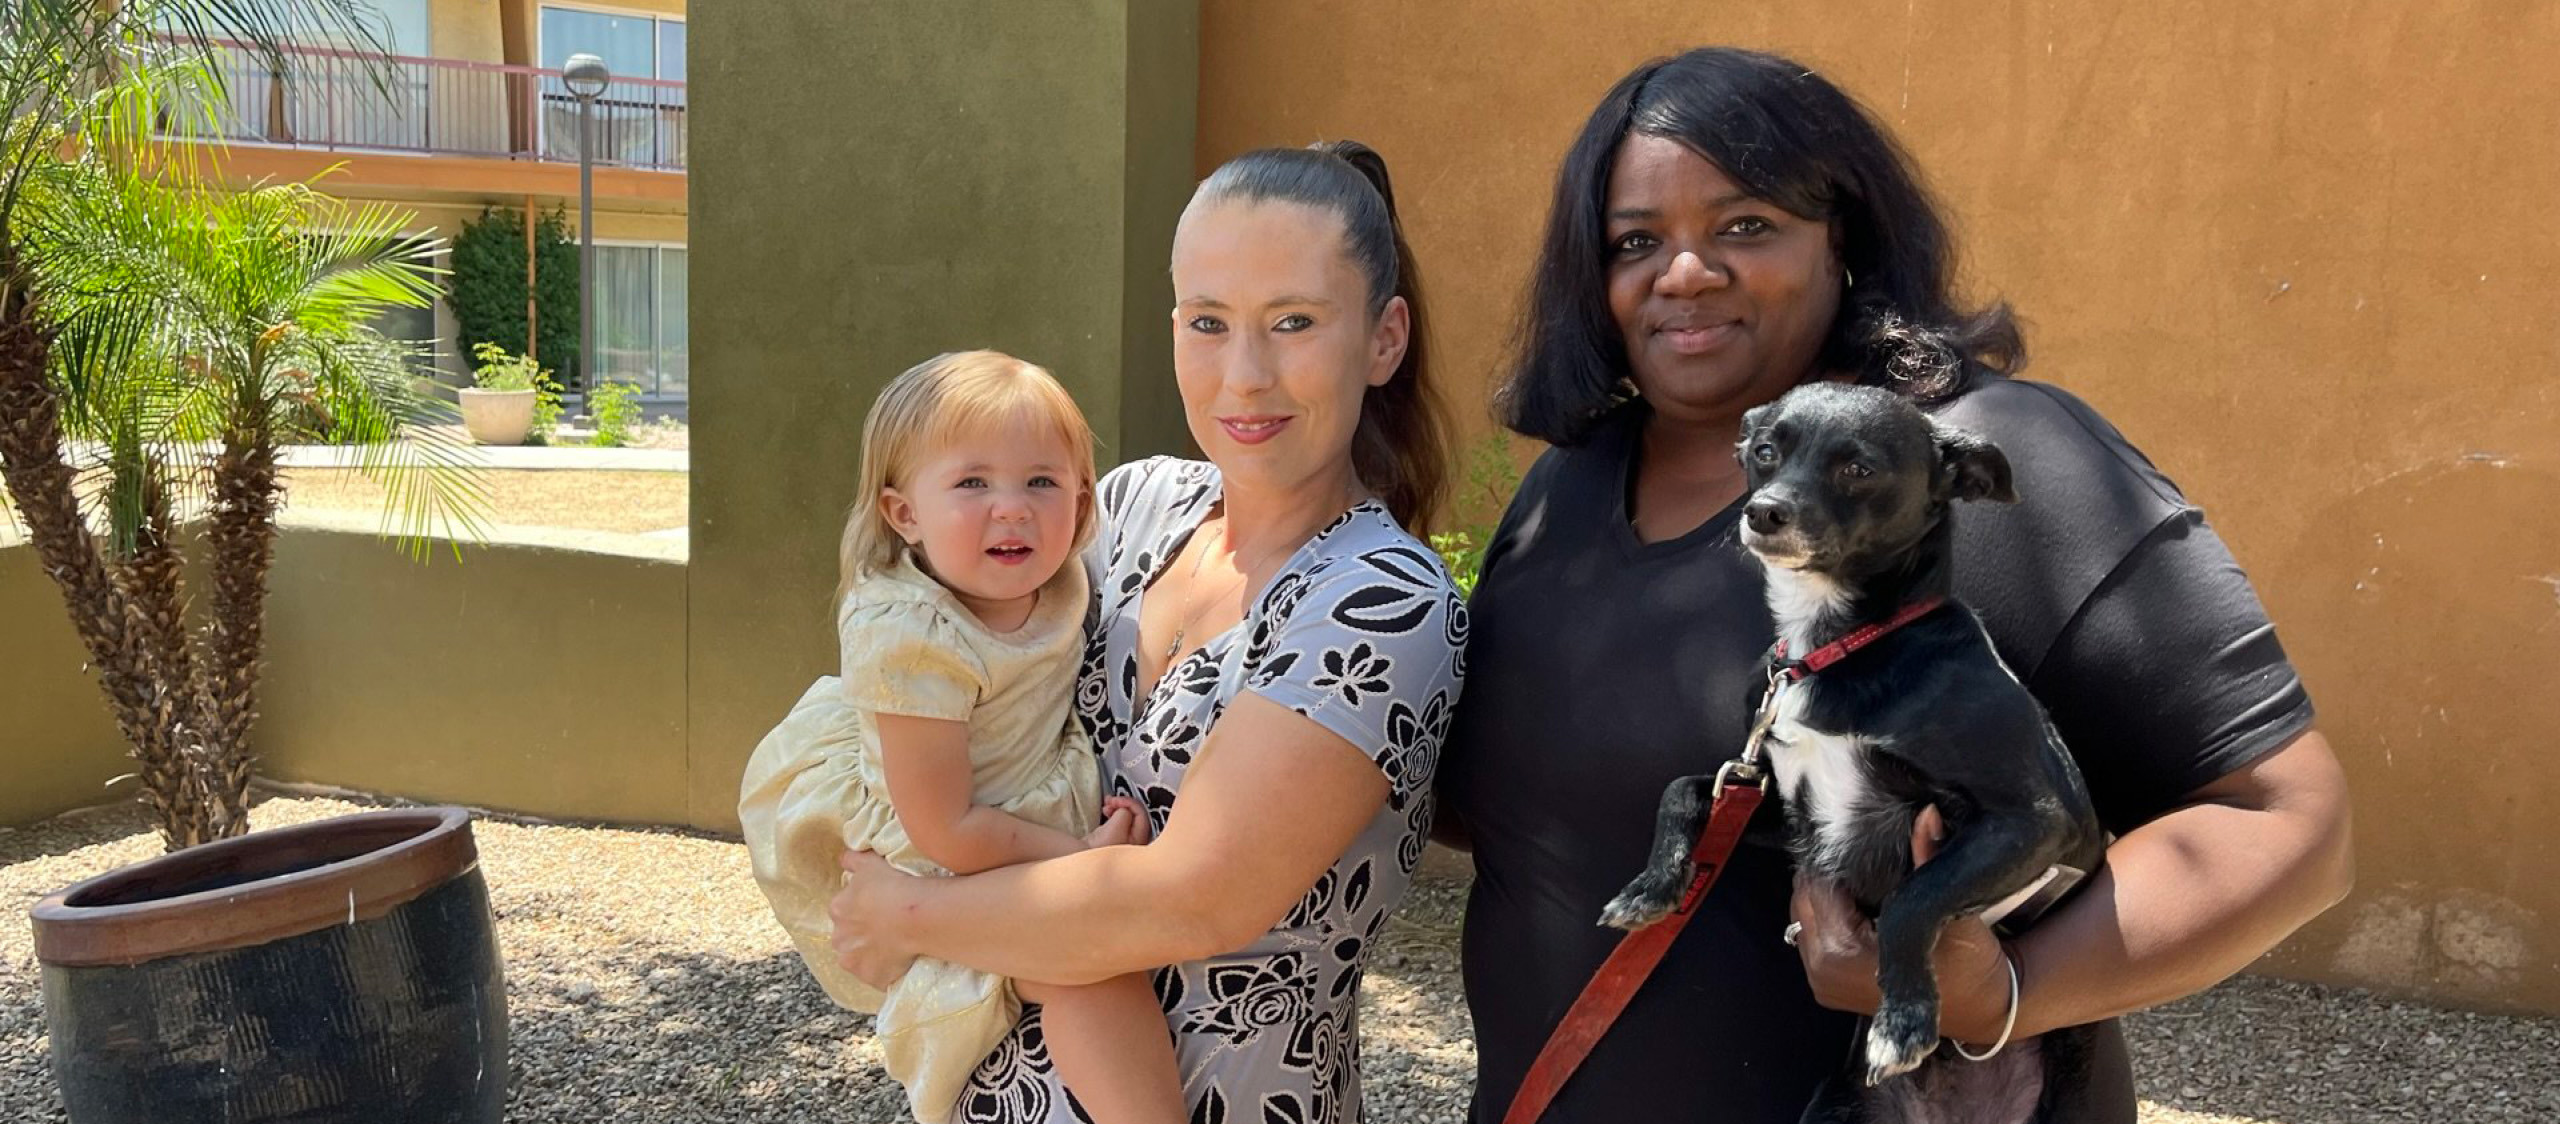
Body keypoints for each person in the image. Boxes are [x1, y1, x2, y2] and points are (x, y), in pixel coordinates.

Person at [1436, 47, 2355, 1123]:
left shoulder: (1996, 466)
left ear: (1845, 237)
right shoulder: (1570, 486)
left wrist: (2000, 990)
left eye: (1745, 225)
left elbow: (2287, 821)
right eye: (1634, 241)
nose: (1682, 273)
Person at [824, 141, 1469, 1124]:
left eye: (1293, 322)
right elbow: (942, 673)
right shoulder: (1130, 508)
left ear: (1383, 339)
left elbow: (1188, 898)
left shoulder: (1383, 600)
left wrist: (902, 912)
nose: (1243, 375)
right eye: (1208, 322)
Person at [738, 351, 1183, 1124]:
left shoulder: (1062, 574)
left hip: (1009, 815)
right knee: (1089, 968)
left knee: (1095, 958)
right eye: (973, 483)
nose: (1012, 509)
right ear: (904, 513)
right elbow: (942, 827)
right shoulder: (914, 637)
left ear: (1081, 501)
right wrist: (1081, 860)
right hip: (941, 855)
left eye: (1041, 481)